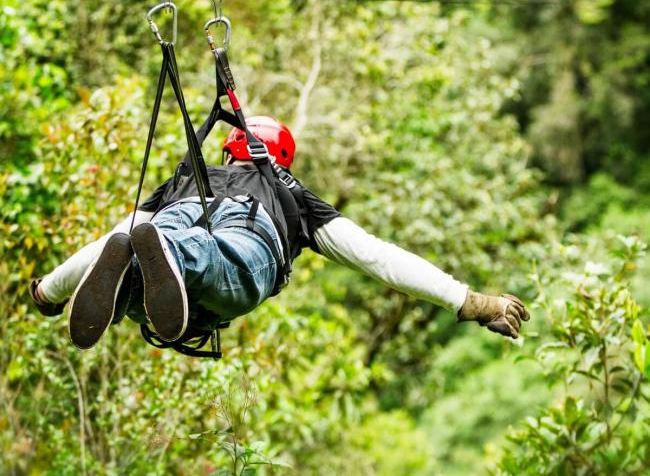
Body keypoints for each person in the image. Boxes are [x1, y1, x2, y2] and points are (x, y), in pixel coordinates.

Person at [29, 116, 530, 353]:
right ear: (281, 156)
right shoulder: (291, 193)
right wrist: (470, 301)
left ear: (227, 151)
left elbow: (112, 236)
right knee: (202, 251)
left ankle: (142, 273)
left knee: (145, 234)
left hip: (177, 216)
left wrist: (49, 292)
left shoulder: (189, 175)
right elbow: (378, 257)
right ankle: (160, 263)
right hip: (247, 242)